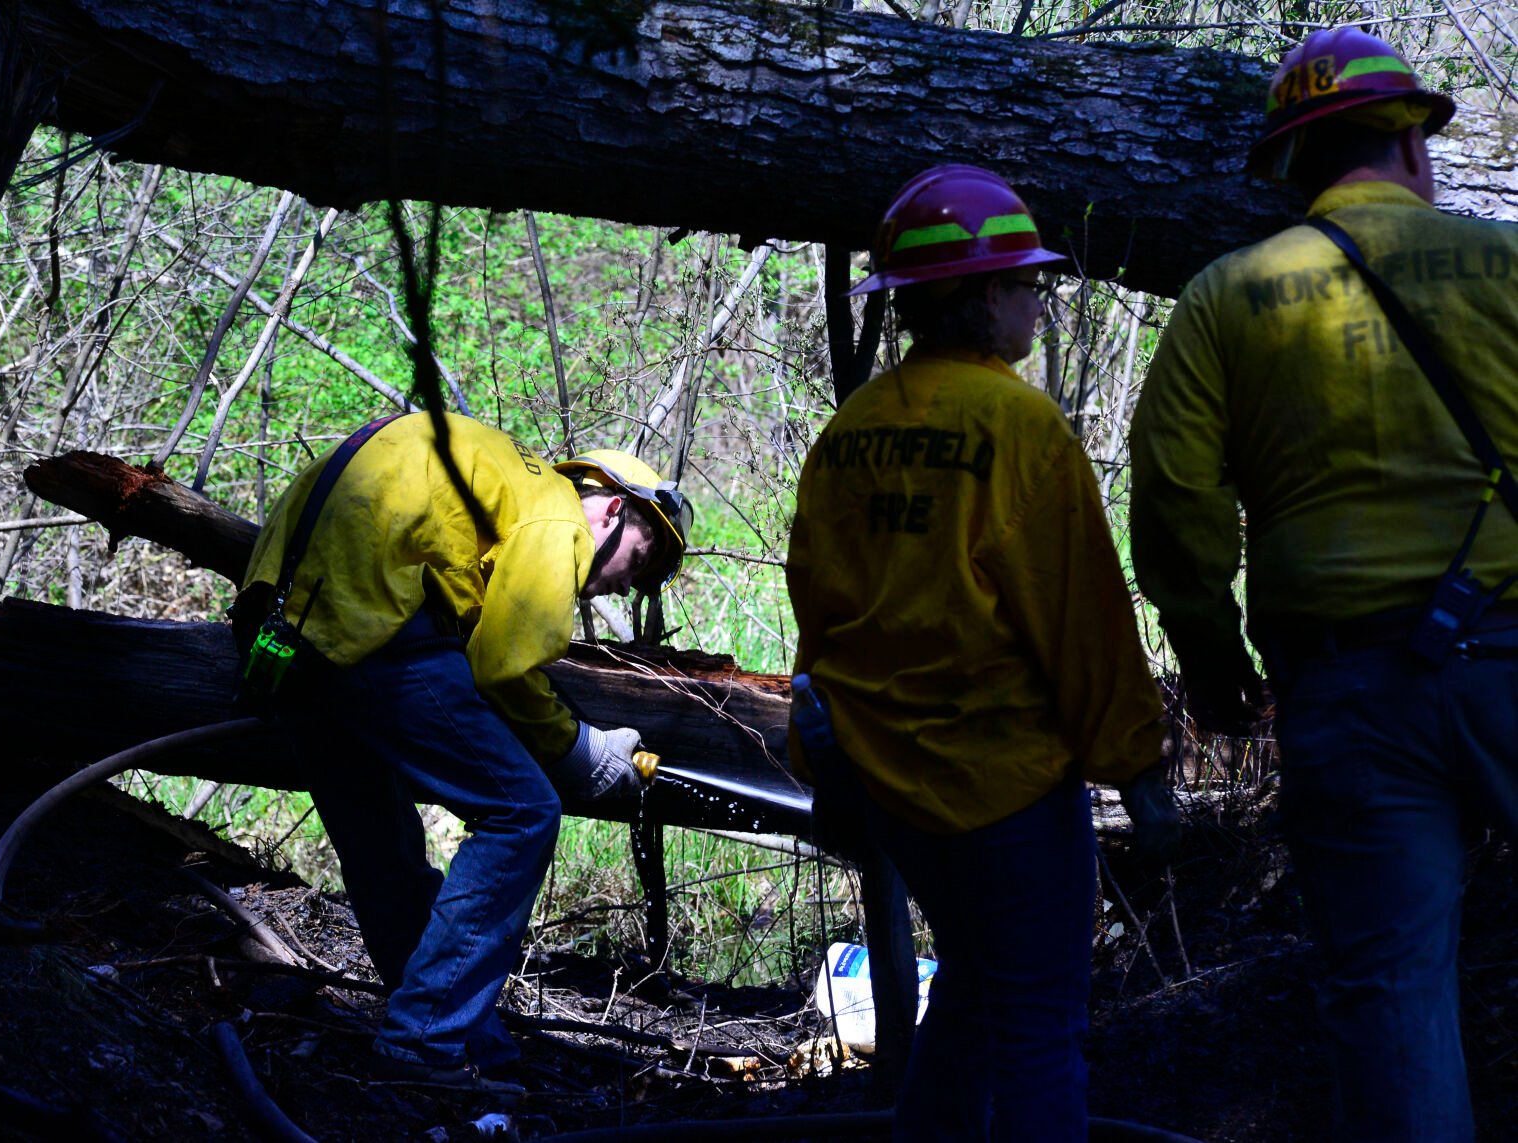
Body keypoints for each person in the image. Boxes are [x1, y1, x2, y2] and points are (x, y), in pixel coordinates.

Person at [1129, 27, 1518, 1141]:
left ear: (1291, 168)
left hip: (1349, 695)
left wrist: (1212, 672)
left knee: (1390, 997)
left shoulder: (1223, 299)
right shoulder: (1504, 265)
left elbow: (1173, 504)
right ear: (1408, 140)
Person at [786, 165, 1172, 1141]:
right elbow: (1084, 624)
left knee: (966, 994)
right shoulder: (1021, 428)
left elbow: (818, 615)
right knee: (1039, 1032)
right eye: (1025, 285)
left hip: (892, 788)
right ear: (981, 296)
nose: (1035, 302)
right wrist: (1135, 771)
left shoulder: (850, 432)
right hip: (1005, 787)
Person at [238, 411, 691, 1091]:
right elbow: (503, 668)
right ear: (615, 511)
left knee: (380, 835)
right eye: (643, 559)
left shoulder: (503, 482)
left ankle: (445, 1033)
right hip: (375, 622)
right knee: (523, 811)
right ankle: (424, 1041)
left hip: (281, 632)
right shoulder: (556, 512)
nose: (632, 584)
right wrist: (582, 753)